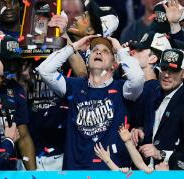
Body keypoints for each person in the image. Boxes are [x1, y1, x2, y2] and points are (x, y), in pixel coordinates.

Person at [37, 35, 145, 169]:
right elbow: (44, 71)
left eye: (105, 51)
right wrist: (74, 47)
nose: (98, 52)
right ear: (87, 62)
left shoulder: (123, 89)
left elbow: (138, 79)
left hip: (112, 172)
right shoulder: (74, 86)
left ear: (114, 65)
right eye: (95, 50)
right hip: (75, 171)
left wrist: (119, 49)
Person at [132, 49, 184, 170]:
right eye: (164, 69)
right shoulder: (152, 93)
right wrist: (138, 130)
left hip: (168, 172)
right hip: (142, 168)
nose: (166, 75)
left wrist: (161, 154)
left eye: (173, 71)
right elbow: (144, 124)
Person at [0, 35, 36, 170]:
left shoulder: (16, 89)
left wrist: (34, 174)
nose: (11, 70)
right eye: (6, 63)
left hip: (8, 167)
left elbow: (24, 137)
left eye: (15, 63)